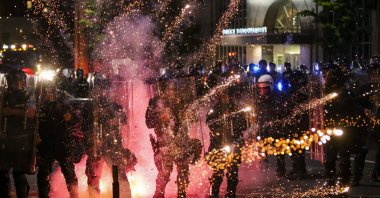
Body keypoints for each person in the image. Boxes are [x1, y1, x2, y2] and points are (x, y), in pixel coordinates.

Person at [145, 80, 201, 198]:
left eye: (173, 89)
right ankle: (158, 195)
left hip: (181, 142)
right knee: (164, 174)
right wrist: (158, 116)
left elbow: (193, 119)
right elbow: (149, 123)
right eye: (169, 89)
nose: (171, 92)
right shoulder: (156, 104)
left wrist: (189, 114)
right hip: (164, 144)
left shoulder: (181, 103)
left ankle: (181, 194)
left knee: (183, 172)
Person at [85, 77, 137, 198]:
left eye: (102, 89)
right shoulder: (90, 107)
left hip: (111, 146)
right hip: (96, 145)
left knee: (119, 175)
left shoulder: (113, 106)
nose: (99, 92)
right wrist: (89, 142)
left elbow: (124, 119)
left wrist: (115, 119)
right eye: (97, 89)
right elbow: (84, 125)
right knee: (93, 176)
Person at [323, 65, 370, 187]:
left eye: (328, 76)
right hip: (330, 128)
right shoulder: (325, 91)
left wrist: (361, 112)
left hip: (344, 128)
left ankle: (344, 181)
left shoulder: (345, 91)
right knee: (329, 157)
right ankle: (330, 180)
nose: (326, 78)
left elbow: (355, 105)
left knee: (344, 156)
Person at [37, 84, 82, 198]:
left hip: (62, 143)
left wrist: (70, 118)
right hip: (46, 144)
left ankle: (74, 195)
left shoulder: (63, 106)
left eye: (51, 92)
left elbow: (76, 119)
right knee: (43, 174)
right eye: (47, 93)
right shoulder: (41, 106)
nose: (49, 95)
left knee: (69, 173)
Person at [0, 69, 36, 198]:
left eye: (21, 81)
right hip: (5, 139)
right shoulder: (4, 95)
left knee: (19, 174)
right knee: (2, 174)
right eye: (15, 81)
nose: (18, 84)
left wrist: (12, 112)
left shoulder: (29, 96)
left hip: (22, 140)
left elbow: (32, 113)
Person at [206, 89, 248, 197]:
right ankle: (214, 193)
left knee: (233, 171)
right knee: (218, 171)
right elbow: (209, 123)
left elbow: (244, 124)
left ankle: (231, 192)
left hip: (234, 143)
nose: (226, 98)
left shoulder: (237, 109)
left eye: (228, 95)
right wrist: (219, 129)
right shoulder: (215, 110)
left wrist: (235, 128)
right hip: (218, 144)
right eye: (223, 95)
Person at [255, 74, 287, 177]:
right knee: (262, 149)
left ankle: (281, 170)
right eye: (261, 89)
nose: (263, 91)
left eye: (265, 88)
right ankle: (263, 169)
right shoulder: (258, 99)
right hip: (263, 127)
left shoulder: (279, 97)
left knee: (279, 150)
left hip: (276, 127)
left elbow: (281, 112)